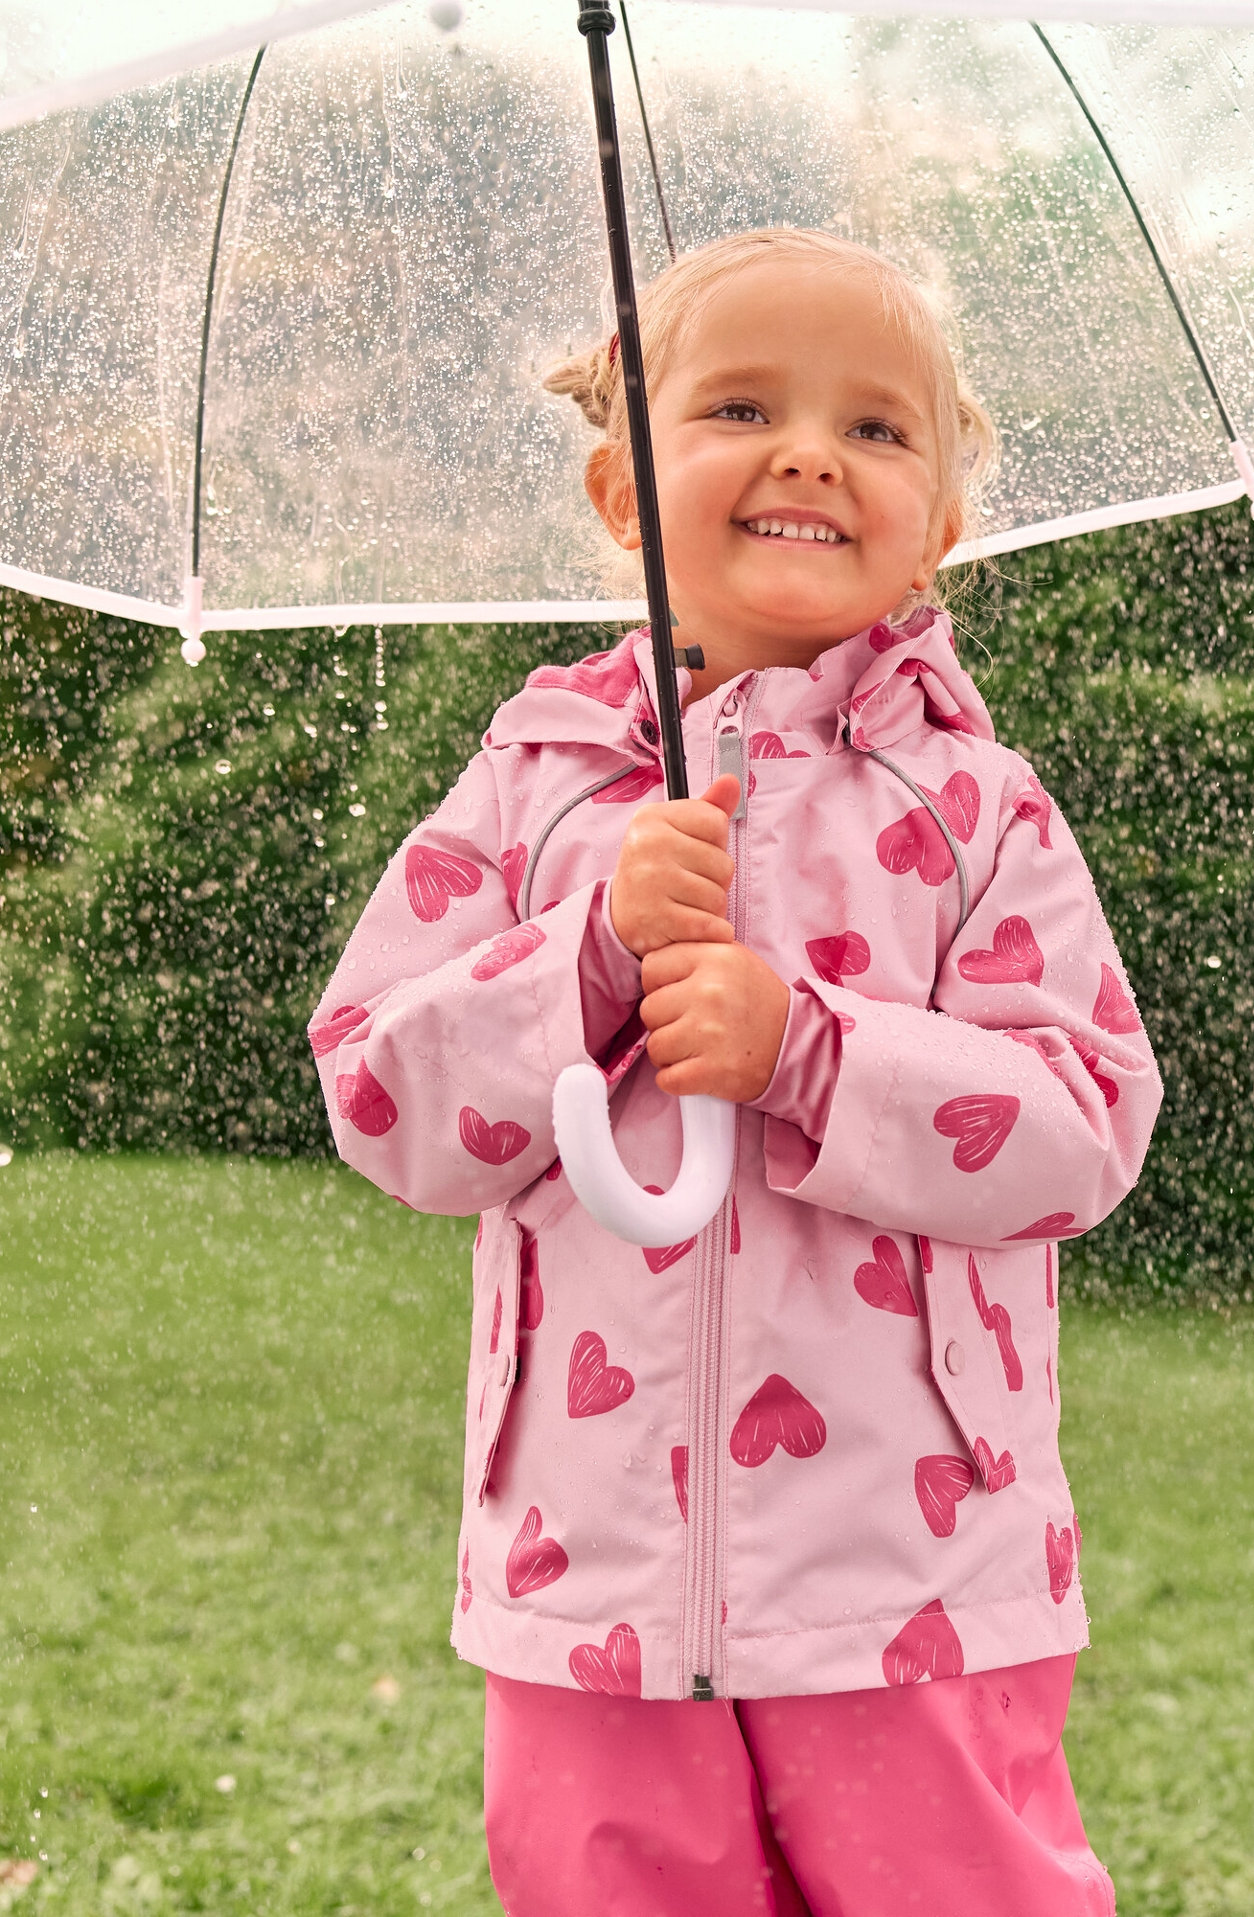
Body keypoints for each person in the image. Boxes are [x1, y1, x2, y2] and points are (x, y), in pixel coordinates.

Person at [309, 228, 1159, 1916]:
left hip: (908, 1566)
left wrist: (809, 1051)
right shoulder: (536, 780)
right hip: (590, 1562)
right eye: (743, 405)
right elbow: (382, 1094)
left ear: (941, 521)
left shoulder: (976, 809)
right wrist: (587, 953)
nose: (808, 453)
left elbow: (1081, 1123)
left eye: (875, 428)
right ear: (625, 493)